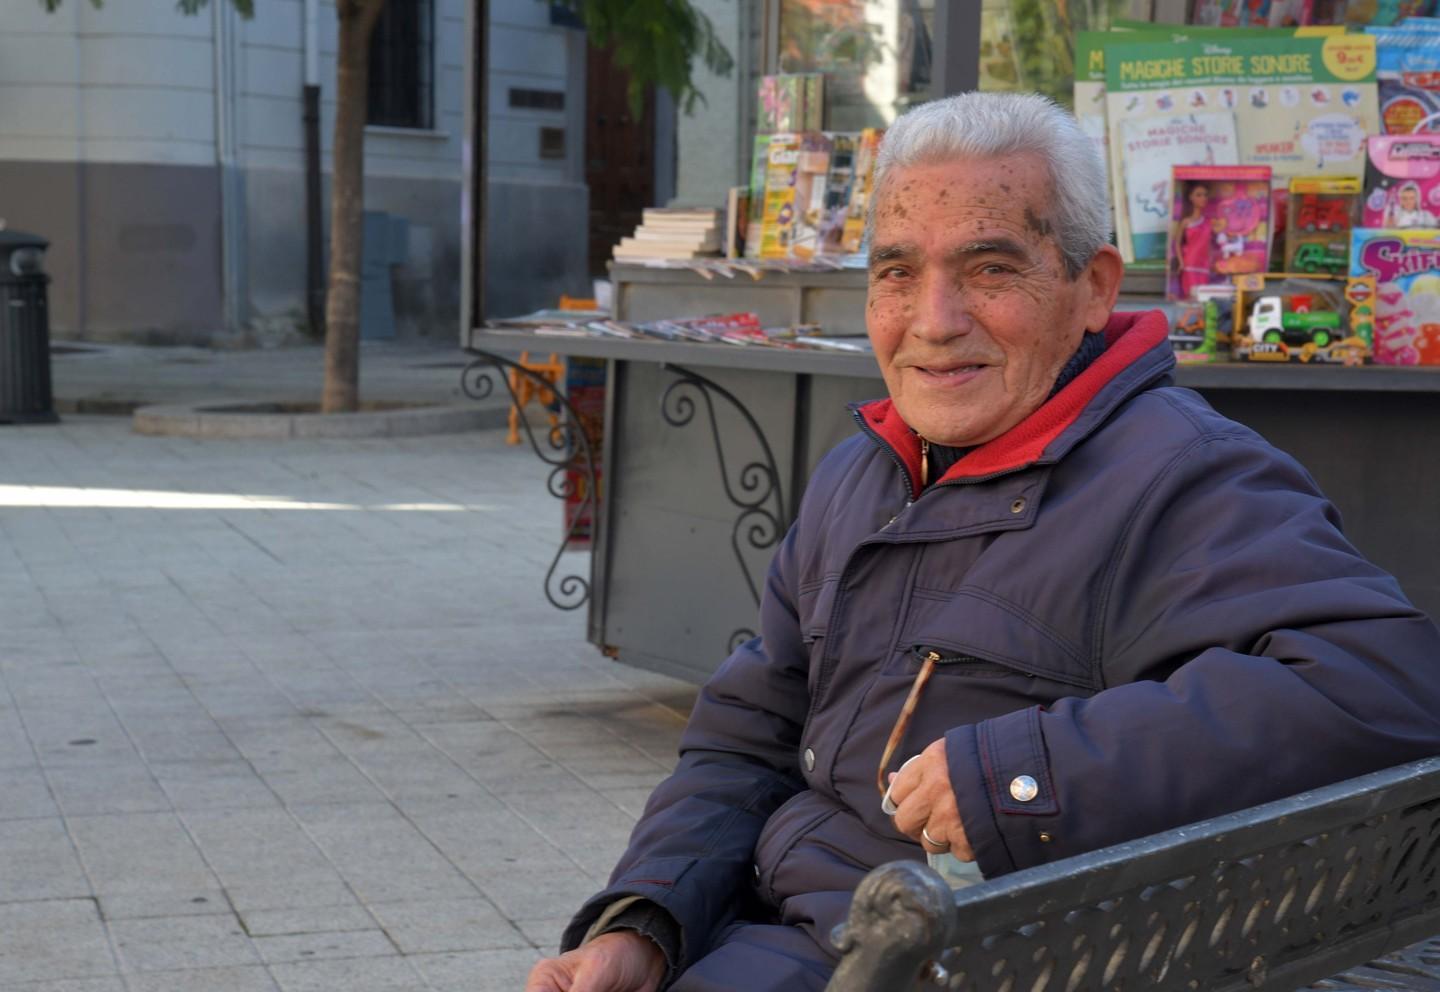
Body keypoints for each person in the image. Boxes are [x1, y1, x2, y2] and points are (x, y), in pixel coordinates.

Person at [526, 92, 1440, 992]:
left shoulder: (1180, 475)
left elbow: (1385, 686)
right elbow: (747, 735)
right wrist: (645, 919)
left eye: (991, 270)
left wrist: (1028, 778)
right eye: (895, 273)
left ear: (1093, 289)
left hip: (966, 958)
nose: (934, 320)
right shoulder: (862, 472)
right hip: (769, 934)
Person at [1172, 181, 1216, 298]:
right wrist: (1181, 262)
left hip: (1204, 265)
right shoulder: (1186, 222)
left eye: (1205, 195)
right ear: (1191, 197)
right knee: (1191, 296)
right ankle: (1188, 317)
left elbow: (1210, 245)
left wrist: (1211, 261)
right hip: (1190, 264)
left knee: (1203, 298)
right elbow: (1177, 243)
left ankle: (1199, 317)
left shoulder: (1208, 222)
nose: (1203, 198)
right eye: (1199, 195)